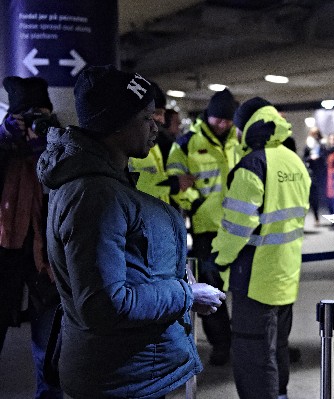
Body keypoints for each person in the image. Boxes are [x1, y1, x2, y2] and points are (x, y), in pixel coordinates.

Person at [36, 65, 226, 399]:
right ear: (116, 123)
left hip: (128, 371)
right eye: (146, 117)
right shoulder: (96, 196)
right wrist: (186, 295)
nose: (156, 125)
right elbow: (104, 304)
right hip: (119, 377)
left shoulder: (106, 183)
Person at [210, 97, 311, 399]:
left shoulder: (253, 165)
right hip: (286, 272)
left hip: (255, 278)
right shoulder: (293, 160)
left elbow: (236, 228)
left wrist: (219, 258)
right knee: (277, 347)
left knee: (253, 355)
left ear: (247, 126)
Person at [0, 76, 63, 399]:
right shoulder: (3, 148)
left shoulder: (60, 149)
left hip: (46, 262)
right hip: (3, 259)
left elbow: (69, 194)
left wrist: (46, 152)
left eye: (42, 114)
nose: (34, 122)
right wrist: (4, 140)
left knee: (50, 348)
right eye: (28, 115)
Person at [166, 88, 239, 365]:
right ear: (208, 116)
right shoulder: (186, 143)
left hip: (238, 227)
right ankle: (222, 344)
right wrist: (195, 201)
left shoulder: (238, 140)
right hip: (207, 227)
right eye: (219, 119)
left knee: (242, 286)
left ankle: (242, 340)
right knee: (212, 289)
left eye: (228, 120)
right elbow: (176, 179)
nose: (223, 124)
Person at [129, 82, 195, 205]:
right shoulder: (127, 146)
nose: (162, 120)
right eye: (158, 113)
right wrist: (173, 183)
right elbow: (129, 183)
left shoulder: (152, 144)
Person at [303, 127, 326, 226]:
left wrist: (320, 158)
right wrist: (310, 158)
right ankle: (316, 217)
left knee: (325, 196)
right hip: (312, 173)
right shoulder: (308, 146)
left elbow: (325, 157)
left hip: (321, 173)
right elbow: (304, 158)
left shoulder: (322, 145)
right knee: (314, 197)